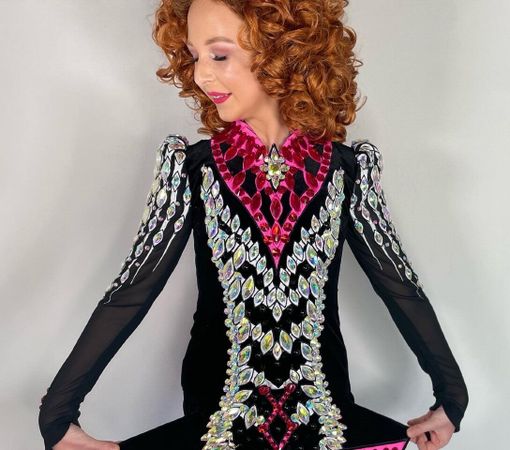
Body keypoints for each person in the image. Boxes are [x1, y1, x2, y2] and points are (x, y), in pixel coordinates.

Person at [38, 0, 469, 449]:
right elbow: (134, 289)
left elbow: (398, 285)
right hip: (218, 424)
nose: (201, 75)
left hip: (324, 423)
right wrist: (58, 414)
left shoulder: (347, 171)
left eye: (219, 54)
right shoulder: (193, 169)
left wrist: (452, 398)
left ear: (283, 50)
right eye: (194, 56)